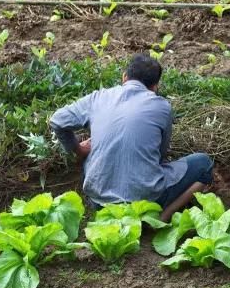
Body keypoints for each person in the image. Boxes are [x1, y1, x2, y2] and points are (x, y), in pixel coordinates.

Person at [49, 53, 213, 222]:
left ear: (124, 77)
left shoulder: (98, 98)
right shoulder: (162, 106)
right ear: (155, 86)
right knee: (204, 164)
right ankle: (163, 216)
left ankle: (108, 211)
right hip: (145, 203)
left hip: (101, 203)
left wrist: (78, 149)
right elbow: (161, 156)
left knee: (92, 151)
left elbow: (57, 120)